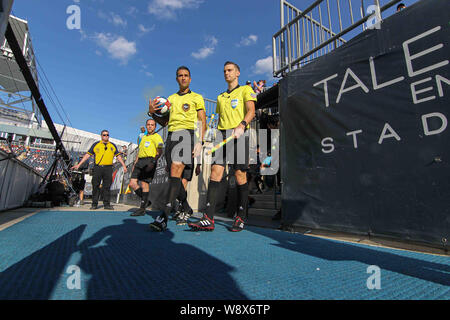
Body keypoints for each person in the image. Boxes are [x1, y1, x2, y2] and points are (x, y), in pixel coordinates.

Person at [189, 61, 256, 232]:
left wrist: (242, 125)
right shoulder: (220, 97)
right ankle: (208, 218)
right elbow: (218, 120)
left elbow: (251, 111)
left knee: (240, 174)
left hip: (239, 134)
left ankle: (241, 216)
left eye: (230, 70)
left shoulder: (246, 90)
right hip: (222, 136)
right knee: (215, 172)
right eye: (225, 71)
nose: (226, 73)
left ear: (237, 73)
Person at [147, 66, 206, 232]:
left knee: (176, 168)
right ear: (176, 79)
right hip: (171, 136)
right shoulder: (170, 99)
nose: (183, 78)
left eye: (186, 75)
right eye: (180, 75)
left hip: (187, 135)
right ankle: (186, 206)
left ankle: (163, 216)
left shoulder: (197, 97)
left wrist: (200, 141)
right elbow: (165, 122)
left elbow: (202, 120)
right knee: (175, 176)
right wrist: (152, 114)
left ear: (190, 78)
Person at [72, 130, 127, 210]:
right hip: (97, 167)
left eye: (107, 135)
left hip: (108, 168)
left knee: (107, 186)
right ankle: (94, 204)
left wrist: (124, 165)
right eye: (104, 135)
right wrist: (79, 164)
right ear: (101, 136)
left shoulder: (112, 145)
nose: (106, 136)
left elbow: (118, 156)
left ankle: (106, 204)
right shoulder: (96, 144)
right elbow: (88, 155)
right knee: (95, 185)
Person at [128, 119, 164, 216]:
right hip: (139, 161)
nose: (150, 126)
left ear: (155, 127)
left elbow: (160, 151)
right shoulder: (143, 137)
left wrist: (153, 162)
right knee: (132, 183)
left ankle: (142, 208)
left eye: (152, 125)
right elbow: (139, 151)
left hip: (149, 161)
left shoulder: (157, 137)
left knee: (144, 184)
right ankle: (146, 201)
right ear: (146, 126)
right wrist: (135, 163)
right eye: (148, 125)